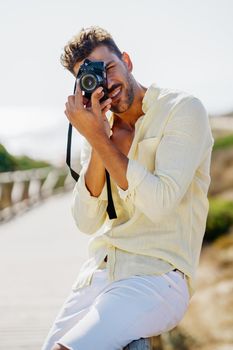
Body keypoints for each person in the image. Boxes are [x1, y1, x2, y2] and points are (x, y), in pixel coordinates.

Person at [42, 26, 214, 350]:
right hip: (99, 271)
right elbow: (86, 221)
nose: (106, 82)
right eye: (91, 76)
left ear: (128, 61)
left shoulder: (182, 110)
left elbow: (161, 202)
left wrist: (98, 140)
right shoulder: (99, 129)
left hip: (157, 276)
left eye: (108, 68)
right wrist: (97, 137)